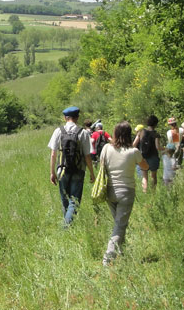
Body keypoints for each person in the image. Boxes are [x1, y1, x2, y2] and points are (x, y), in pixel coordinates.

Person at [102, 121, 149, 265]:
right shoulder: (133, 152)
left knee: (119, 223)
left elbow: (102, 164)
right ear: (129, 135)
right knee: (120, 225)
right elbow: (145, 166)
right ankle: (109, 256)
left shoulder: (106, 148)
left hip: (109, 190)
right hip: (126, 191)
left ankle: (121, 252)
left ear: (115, 133)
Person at [48, 106, 95, 227]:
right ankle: (66, 227)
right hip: (78, 170)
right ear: (77, 118)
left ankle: (67, 225)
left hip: (62, 170)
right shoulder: (83, 133)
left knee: (65, 200)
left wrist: (52, 172)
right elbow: (87, 156)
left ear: (65, 118)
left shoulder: (58, 131)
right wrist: (92, 173)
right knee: (74, 202)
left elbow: (53, 154)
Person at [132, 115, 161, 192]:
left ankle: (145, 192)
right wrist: (165, 149)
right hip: (153, 157)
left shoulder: (141, 132)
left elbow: (134, 145)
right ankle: (152, 194)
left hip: (143, 157)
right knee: (153, 177)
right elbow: (157, 147)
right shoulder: (156, 134)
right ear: (155, 124)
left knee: (144, 177)